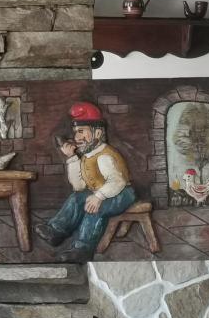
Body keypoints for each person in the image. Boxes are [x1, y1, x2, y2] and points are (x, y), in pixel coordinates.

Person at [35, 101, 139, 262]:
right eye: (76, 133)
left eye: (82, 131)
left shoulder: (104, 155)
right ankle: (56, 230)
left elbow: (117, 181)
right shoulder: (86, 157)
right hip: (101, 192)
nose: (77, 138)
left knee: (94, 208)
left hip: (121, 193)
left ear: (98, 133)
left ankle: (83, 248)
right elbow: (79, 186)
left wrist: (99, 197)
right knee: (77, 198)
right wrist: (72, 158)